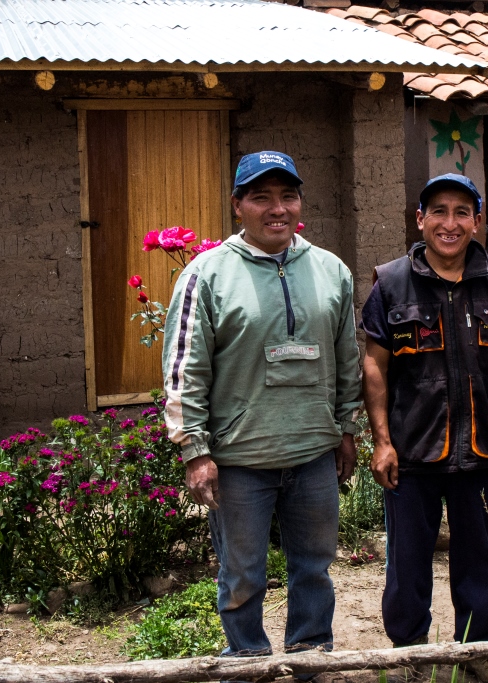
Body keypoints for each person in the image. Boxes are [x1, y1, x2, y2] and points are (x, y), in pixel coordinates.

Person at [163, 150, 362, 662]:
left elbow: (347, 360)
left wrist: (346, 430)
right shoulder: (205, 276)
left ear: (299, 203)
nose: (277, 208)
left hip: (313, 453)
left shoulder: (331, 271)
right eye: (261, 197)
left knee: (314, 567)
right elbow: (185, 371)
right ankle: (248, 659)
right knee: (242, 573)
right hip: (239, 459)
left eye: (287, 196)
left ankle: (308, 657)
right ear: (238, 206)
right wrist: (195, 452)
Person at [361, 174, 488, 682]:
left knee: (480, 556)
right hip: (413, 451)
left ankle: (479, 651)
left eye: (463, 212)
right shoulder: (392, 282)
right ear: (420, 220)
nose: (450, 223)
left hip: (483, 451)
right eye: (438, 211)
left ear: (477, 221)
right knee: (407, 560)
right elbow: (374, 365)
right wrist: (382, 442)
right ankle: (409, 652)